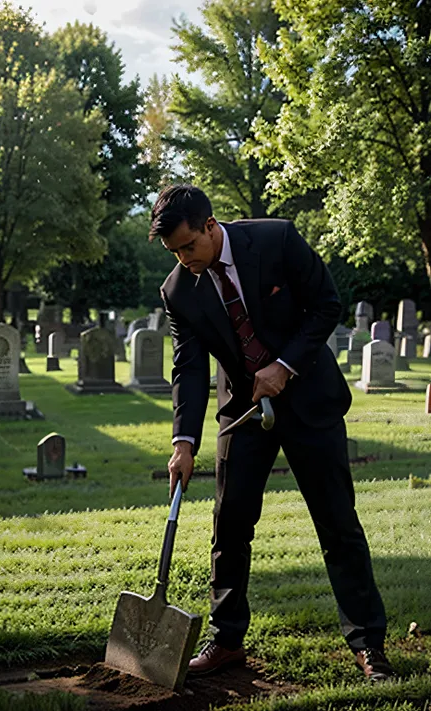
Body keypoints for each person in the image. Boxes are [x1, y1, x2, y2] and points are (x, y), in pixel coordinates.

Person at [150, 184, 393, 682]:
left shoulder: (277, 239)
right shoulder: (178, 290)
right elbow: (190, 368)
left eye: (188, 247)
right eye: (173, 253)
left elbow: (328, 304)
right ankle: (227, 640)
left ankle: (369, 646)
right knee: (230, 524)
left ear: (211, 227)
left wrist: (283, 365)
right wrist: (183, 443)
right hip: (242, 413)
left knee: (337, 525)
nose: (183, 260)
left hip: (309, 400)